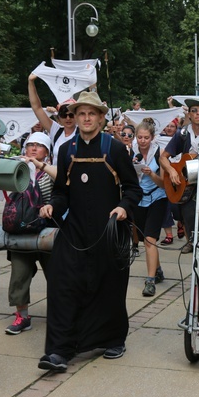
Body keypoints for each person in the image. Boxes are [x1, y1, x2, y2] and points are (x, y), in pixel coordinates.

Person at [38, 91, 141, 372]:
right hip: (75, 232)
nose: (85, 118)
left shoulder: (116, 148)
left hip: (109, 231)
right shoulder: (66, 150)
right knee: (63, 284)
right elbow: (61, 193)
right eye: (80, 114)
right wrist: (52, 208)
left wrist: (123, 207)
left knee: (109, 287)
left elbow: (133, 189)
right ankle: (59, 349)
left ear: (101, 117)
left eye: (91, 114)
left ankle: (113, 338)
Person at [4, 132, 54, 335]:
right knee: (19, 273)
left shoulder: (51, 170)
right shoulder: (16, 169)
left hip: (47, 229)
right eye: (30, 145)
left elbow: (62, 193)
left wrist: (50, 205)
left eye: (39, 145)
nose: (33, 149)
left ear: (47, 151)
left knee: (57, 273)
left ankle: (63, 312)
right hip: (21, 229)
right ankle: (22, 316)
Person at [159, 99, 199, 254]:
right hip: (188, 181)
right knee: (187, 213)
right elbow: (163, 157)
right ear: (189, 114)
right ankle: (190, 241)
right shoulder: (183, 134)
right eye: (194, 110)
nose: (197, 113)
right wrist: (172, 171)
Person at [132, 122, 167, 297]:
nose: (143, 141)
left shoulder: (159, 153)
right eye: (140, 137)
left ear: (152, 138)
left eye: (146, 137)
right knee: (146, 239)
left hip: (158, 199)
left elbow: (164, 183)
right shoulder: (131, 151)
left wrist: (151, 174)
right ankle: (158, 270)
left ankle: (150, 281)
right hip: (139, 200)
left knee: (149, 240)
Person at [28, 72, 77, 164]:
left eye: (71, 115)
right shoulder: (56, 131)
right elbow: (37, 108)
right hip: (56, 177)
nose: (67, 118)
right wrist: (31, 82)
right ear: (59, 117)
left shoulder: (82, 132)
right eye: (63, 115)